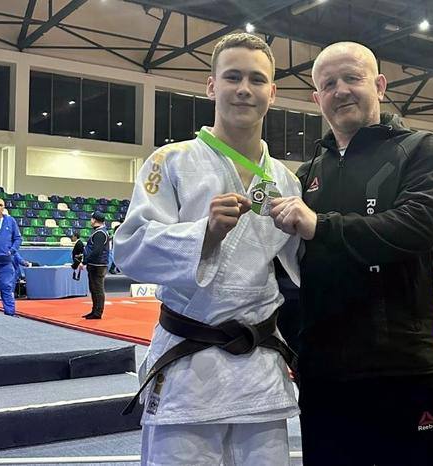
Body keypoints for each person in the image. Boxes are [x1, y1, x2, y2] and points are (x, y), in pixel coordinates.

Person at [114, 33, 301, 466]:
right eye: (232, 77)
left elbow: (302, 273)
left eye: (257, 79)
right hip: (189, 370)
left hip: (259, 371)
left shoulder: (286, 182)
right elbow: (130, 248)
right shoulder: (170, 161)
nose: (244, 89)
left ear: (272, 92)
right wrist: (204, 234)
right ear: (211, 86)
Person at [270, 41, 433, 465]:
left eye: (352, 78)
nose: (340, 91)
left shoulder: (422, 149)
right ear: (316, 98)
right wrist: (295, 344)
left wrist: (321, 226)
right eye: (328, 84)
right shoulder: (306, 174)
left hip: (402, 367)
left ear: (380, 85)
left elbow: (418, 226)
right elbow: (288, 269)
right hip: (324, 372)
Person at [81, 212, 110, 319]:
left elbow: (96, 251)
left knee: (97, 289)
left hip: (97, 265)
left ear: (94, 220)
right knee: (94, 289)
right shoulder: (100, 232)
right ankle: (94, 310)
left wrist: (85, 261)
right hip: (96, 264)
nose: (90, 221)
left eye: (91, 219)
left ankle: (98, 312)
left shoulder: (100, 234)